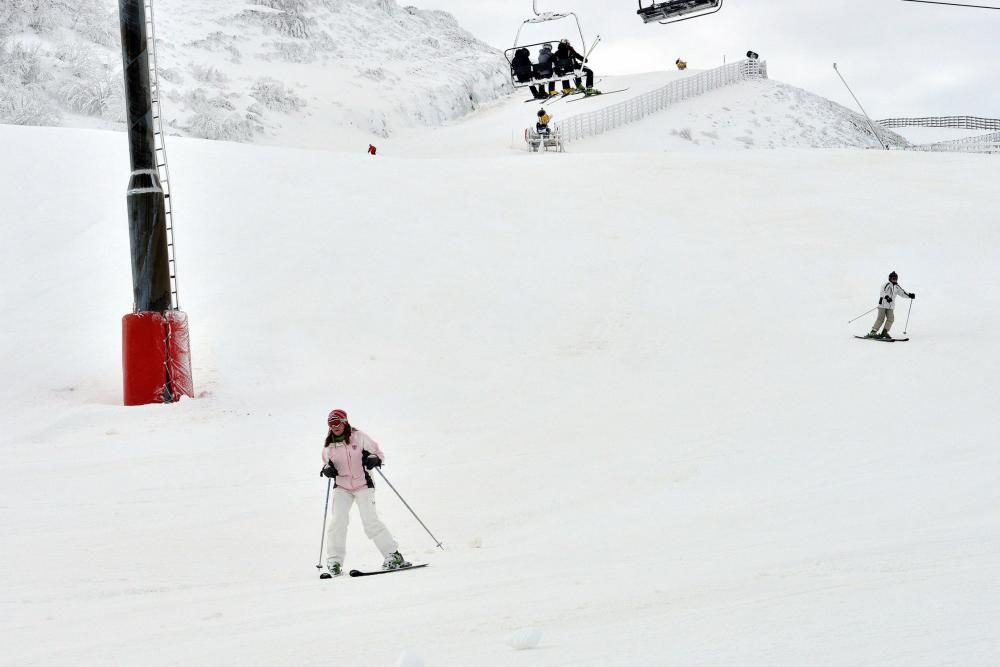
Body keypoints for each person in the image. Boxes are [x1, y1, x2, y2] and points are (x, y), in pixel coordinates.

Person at [319, 409, 408, 576]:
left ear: (344, 422)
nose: (334, 427)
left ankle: (393, 555)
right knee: (338, 521)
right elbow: (326, 463)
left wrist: (375, 459)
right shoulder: (328, 446)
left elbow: (378, 453)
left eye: (337, 422)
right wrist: (327, 469)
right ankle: (334, 561)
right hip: (342, 487)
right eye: (331, 424)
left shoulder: (359, 437)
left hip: (363, 485)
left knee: (370, 521)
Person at [867, 271, 915, 339]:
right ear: (890, 278)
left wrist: (910, 295)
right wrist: (887, 297)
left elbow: (902, 293)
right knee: (880, 319)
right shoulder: (886, 284)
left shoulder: (897, 286)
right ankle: (873, 332)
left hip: (890, 306)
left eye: (896, 278)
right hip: (883, 305)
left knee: (891, 319)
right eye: (893, 278)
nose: (894, 279)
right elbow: (882, 292)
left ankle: (884, 332)